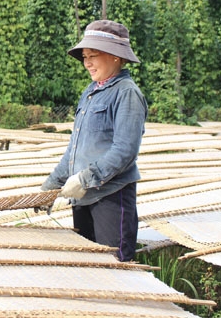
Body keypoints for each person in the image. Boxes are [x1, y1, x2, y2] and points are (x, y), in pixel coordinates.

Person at [40, 20, 147, 262]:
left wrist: (85, 178)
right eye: (85, 56)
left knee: (115, 266)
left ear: (116, 57)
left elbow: (125, 151)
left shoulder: (126, 93)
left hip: (110, 197)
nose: (87, 62)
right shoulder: (89, 93)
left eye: (93, 55)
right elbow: (74, 150)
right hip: (83, 196)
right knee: (89, 264)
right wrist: (50, 186)